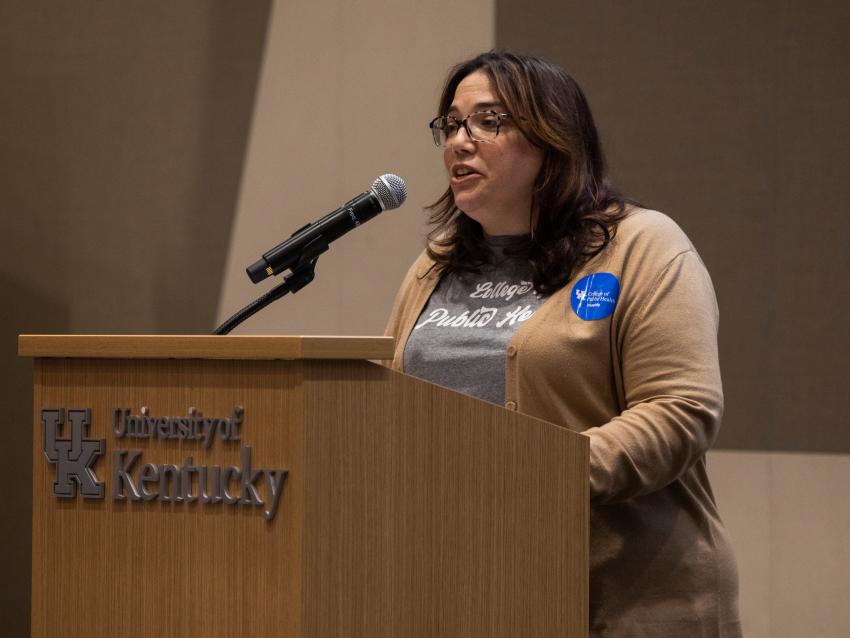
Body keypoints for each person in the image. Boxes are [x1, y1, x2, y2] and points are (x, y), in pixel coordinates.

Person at [384, 51, 742, 637]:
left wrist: (535, 473)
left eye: (489, 121)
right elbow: (392, 411)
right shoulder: (437, 264)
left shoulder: (641, 246)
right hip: (466, 596)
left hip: (622, 601)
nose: (459, 141)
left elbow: (680, 411)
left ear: (552, 139)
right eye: (451, 124)